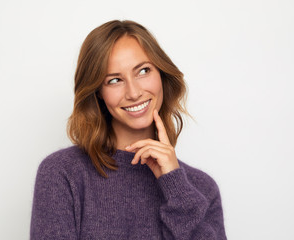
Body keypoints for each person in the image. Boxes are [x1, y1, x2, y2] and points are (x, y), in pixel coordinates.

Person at [30, 20, 226, 239]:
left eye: (143, 71)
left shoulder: (201, 189)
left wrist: (175, 185)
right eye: (114, 80)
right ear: (98, 93)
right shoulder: (63, 174)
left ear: (162, 74)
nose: (133, 93)